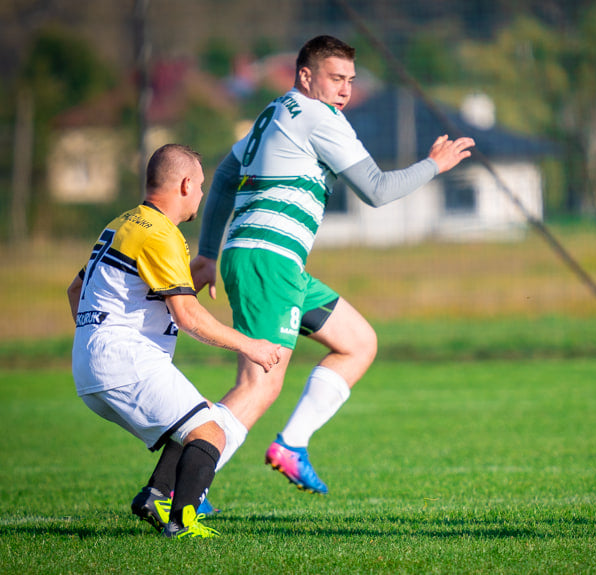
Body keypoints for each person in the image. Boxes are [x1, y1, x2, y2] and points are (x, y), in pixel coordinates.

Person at [191, 35, 475, 494]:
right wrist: (433, 165)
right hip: (269, 262)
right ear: (306, 76)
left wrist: (208, 253)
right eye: (336, 78)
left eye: (350, 80)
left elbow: (224, 176)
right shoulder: (320, 118)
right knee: (257, 386)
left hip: (272, 262)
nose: (345, 89)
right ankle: (175, 491)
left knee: (358, 342)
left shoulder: (276, 109)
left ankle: (292, 445)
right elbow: (377, 190)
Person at [67, 144, 283, 538]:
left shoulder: (122, 224)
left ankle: (156, 495)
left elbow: (75, 288)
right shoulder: (161, 234)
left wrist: (92, 341)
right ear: (185, 185)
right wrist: (249, 345)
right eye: (200, 185)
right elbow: (187, 316)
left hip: (90, 359)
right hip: (124, 357)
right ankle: (181, 524)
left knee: (194, 418)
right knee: (210, 432)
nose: (201, 193)